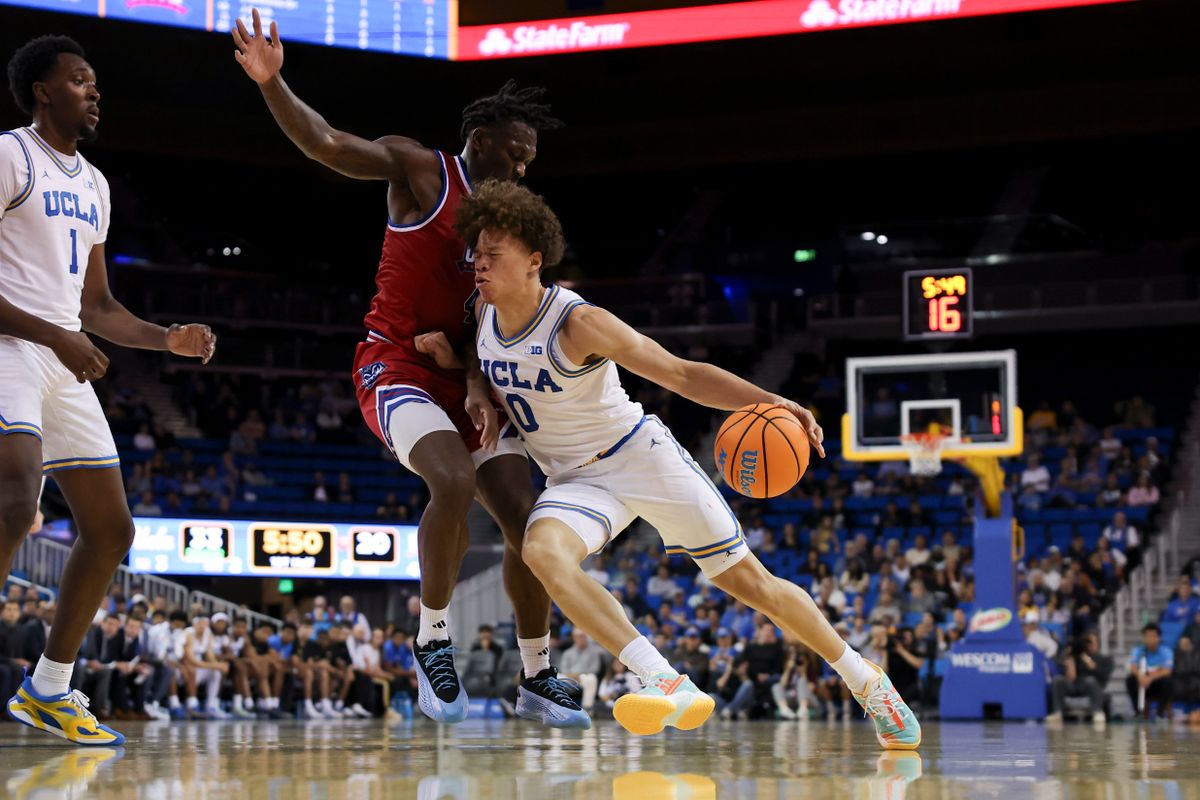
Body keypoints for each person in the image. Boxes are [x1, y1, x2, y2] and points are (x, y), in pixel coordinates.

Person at [437, 181, 920, 747]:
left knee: (751, 583)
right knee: (541, 551)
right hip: (575, 479)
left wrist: (772, 401)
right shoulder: (481, 308)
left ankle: (867, 681)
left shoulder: (579, 323)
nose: (480, 261)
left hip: (639, 456)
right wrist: (469, 379)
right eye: (477, 250)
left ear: (534, 260)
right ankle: (662, 678)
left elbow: (683, 374)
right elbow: (477, 350)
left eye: (494, 252)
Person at [231, 9, 580, 728]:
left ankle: (538, 675)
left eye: (529, 163)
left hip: (465, 375)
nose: (521, 170)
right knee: (451, 480)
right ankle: (432, 641)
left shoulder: (505, 229)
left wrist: (481, 381)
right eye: (514, 155)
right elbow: (326, 144)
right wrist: (273, 83)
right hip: (394, 365)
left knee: (530, 522)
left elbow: (489, 322)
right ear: (479, 141)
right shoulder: (424, 174)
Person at [1, 36, 216, 746]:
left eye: (95, 82)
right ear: (42, 90)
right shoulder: (9, 156)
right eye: (80, 80)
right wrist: (56, 335)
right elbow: (64, 323)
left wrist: (166, 338)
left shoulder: (95, 184)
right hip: (11, 348)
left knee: (112, 529)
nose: (94, 92)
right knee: (15, 493)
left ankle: (49, 689)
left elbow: (96, 307)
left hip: (63, 355)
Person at [1046, 632, 1111, 725]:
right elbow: (1070, 676)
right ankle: (1057, 712)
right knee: (1058, 679)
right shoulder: (1076, 656)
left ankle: (1097, 711)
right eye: (1087, 642)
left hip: (1088, 686)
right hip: (1072, 685)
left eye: (1092, 642)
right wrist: (1070, 661)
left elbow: (1103, 676)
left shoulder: (1104, 659)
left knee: (1091, 680)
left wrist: (1090, 664)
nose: (1090, 645)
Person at [1127, 623, 1173, 720]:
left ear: (1159, 638)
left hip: (1157, 685)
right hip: (1143, 684)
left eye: (1153, 636)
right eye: (1148, 636)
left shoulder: (1166, 651)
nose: (1150, 639)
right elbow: (1133, 666)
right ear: (1144, 638)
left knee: (1169, 682)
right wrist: (1140, 676)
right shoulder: (1138, 651)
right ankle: (1137, 712)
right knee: (1130, 680)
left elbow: (1167, 671)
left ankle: (1160, 714)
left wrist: (1150, 678)